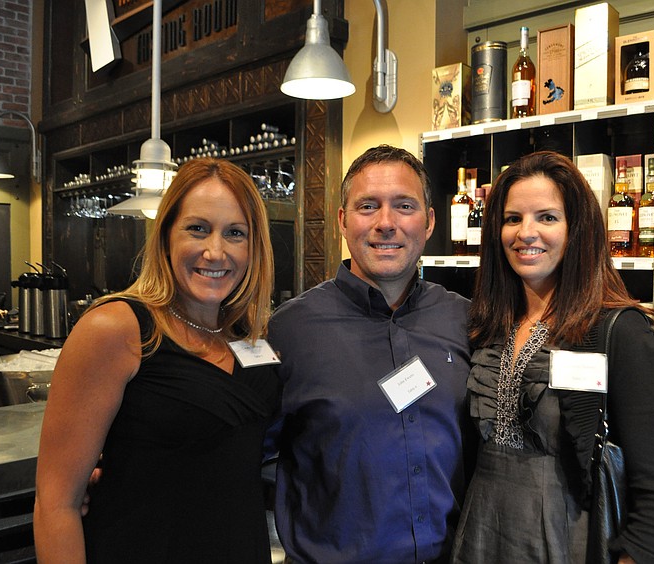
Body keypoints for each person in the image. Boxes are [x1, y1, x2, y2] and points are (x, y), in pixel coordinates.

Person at [34, 158, 281, 563]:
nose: (215, 251)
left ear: (254, 248)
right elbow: (56, 504)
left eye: (235, 233)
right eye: (197, 228)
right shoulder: (117, 328)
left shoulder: (248, 335)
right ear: (166, 234)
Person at [451, 151, 654, 564]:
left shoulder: (618, 332)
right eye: (512, 218)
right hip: (481, 531)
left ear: (578, 229)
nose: (526, 233)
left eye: (547, 217)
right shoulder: (487, 325)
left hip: (568, 539)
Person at [266, 145, 473, 563]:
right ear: (343, 221)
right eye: (367, 206)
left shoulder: (466, 321)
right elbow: (249, 457)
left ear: (429, 222)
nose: (386, 223)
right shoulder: (287, 331)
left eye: (404, 206)